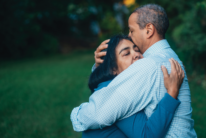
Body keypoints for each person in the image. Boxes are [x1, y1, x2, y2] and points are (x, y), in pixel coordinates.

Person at [72, 4, 197, 137]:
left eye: (132, 31)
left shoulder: (149, 64)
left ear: (149, 30)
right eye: (126, 53)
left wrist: (77, 114)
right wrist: (101, 67)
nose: (130, 36)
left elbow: (98, 114)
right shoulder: (170, 57)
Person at [71, 35, 184, 137]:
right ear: (113, 68)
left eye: (136, 49)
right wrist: (172, 92)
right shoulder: (120, 94)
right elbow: (147, 135)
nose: (136, 54)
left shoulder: (109, 85)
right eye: (126, 53)